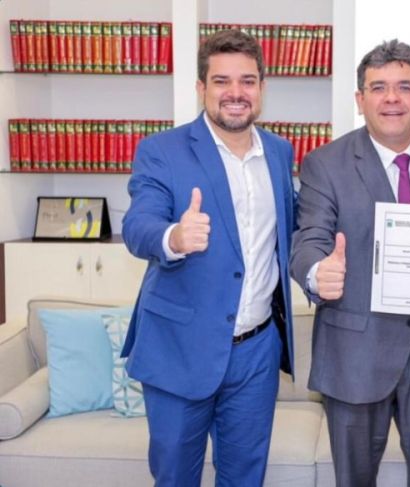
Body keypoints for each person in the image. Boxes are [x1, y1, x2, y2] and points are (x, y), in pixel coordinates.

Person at [290, 39, 410, 486]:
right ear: (360, 99)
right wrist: (317, 273)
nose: (392, 98)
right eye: (378, 88)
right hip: (354, 355)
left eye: (404, 87)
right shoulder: (325, 164)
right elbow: (309, 238)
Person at [121, 29, 296, 486]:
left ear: (262, 87)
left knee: (245, 479)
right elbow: (138, 225)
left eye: (247, 81)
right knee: (176, 478)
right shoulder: (162, 150)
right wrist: (174, 237)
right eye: (222, 81)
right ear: (202, 88)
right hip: (180, 347)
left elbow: (292, 231)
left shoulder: (279, 152)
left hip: (257, 352)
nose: (236, 92)